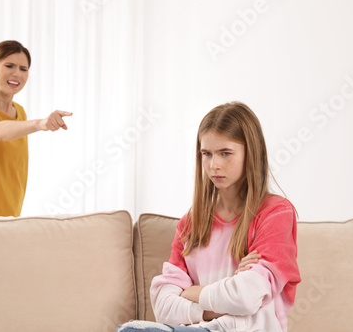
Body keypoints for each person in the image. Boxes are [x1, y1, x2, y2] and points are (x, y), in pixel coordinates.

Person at [117, 102, 300, 332]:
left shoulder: (275, 213)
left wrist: (191, 292)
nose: (214, 165)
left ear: (251, 154)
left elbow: (247, 296)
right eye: (207, 154)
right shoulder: (192, 223)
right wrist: (218, 301)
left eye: (225, 153)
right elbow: (163, 306)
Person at [0, 40, 72, 218]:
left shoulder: (20, 112)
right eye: (9, 66)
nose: (17, 73)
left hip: (10, 218)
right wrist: (41, 124)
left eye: (23, 69)